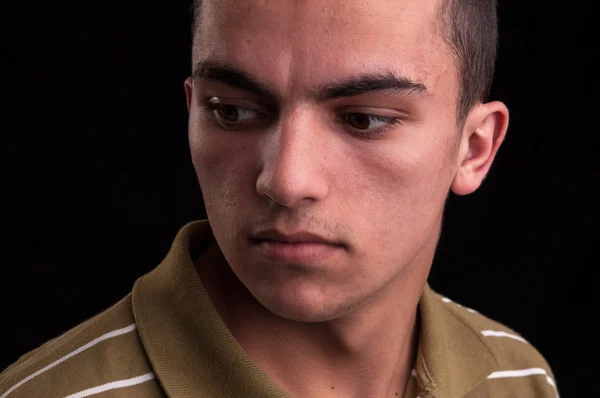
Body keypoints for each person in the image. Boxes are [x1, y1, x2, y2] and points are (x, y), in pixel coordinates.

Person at [0, 0, 559, 396]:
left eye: (364, 119)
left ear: (475, 148)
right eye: (234, 111)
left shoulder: (519, 377)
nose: (286, 180)